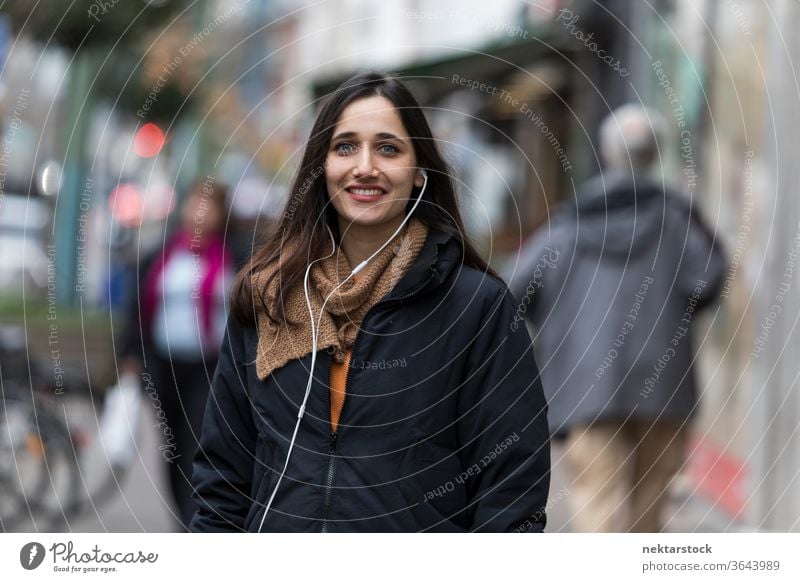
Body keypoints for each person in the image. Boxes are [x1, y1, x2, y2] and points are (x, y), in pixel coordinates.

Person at [190, 71, 550, 532]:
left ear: (420, 171)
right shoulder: (270, 297)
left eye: (388, 148)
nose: (365, 166)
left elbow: (513, 485)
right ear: (321, 166)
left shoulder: (476, 307)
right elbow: (222, 474)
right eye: (345, 147)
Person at [507, 104, 727, 532]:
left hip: (584, 386)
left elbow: (514, 289)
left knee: (596, 506)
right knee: (651, 507)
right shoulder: (676, 219)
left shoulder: (567, 223)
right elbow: (708, 279)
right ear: (655, 155)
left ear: (606, 154)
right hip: (664, 387)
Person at [119, 179, 235, 530]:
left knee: (196, 442)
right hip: (164, 365)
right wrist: (129, 357)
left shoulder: (234, 256)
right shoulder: (162, 253)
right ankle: (180, 519)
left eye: (208, 206)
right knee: (171, 444)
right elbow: (137, 308)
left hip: (209, 368)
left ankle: (194, 519)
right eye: (193, 204)